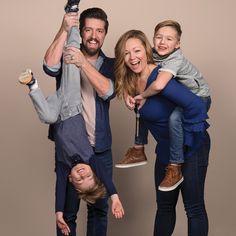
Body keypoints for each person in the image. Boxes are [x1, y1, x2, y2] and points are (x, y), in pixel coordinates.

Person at [115, 29, 210, 236]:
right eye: (126, 53)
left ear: (146, 51)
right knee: (164, 208)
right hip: (167, 149)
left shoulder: (160, 78)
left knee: (193, 208)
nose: (133, 58)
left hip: (192, 145)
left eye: (137, 51)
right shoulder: (131, 82)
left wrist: (185, 145)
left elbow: (197, 106)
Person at [42, 6, 119, 236]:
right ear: (80, 31)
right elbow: (49, 66)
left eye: (100, 31)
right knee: (67, 213)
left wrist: (82, 63)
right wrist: (64, 29)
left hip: (100, 146)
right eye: (88, 30)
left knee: (99, 210)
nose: (94, 36)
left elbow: (108, 92)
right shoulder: (67, 52)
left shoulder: (111, 64)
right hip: (69, 147)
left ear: (105, 33)